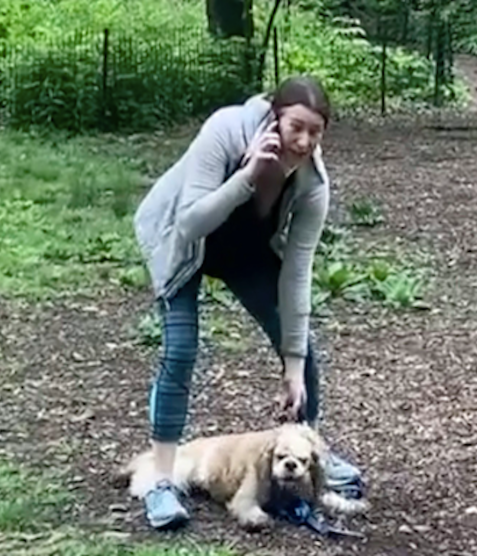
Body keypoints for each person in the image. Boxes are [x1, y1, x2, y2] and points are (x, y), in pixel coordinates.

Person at [131, 75, 359, 531]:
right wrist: (248, 176)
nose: (304, 141)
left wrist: (293, 366)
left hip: (243, 251)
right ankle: (161, 480)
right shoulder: (226, 130)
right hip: (181, 242)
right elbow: (190, 223)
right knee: (181, 349)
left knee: (300, 347)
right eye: (296, 127)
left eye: (316, 132)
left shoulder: (312, 184)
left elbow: (297, 274)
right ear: (275, 119)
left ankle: (309, 456)